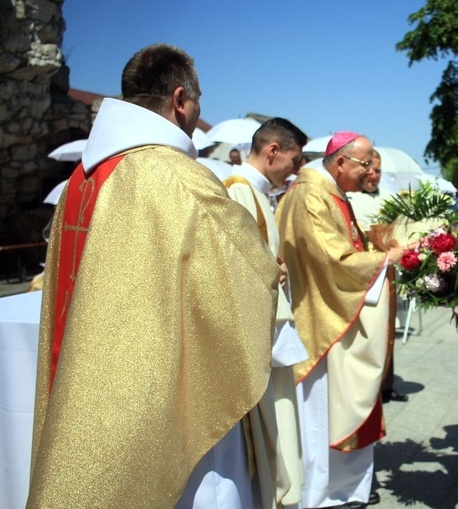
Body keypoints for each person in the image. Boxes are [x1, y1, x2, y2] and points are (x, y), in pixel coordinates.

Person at [27, 44, 281, 508]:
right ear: (180, 99)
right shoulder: (177, 175)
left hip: (90, 375)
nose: (198, 109)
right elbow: (246, 271)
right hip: (162, 389)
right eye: (198, 99)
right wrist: (270, 271)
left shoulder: (83, 179)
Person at [276, 132, 404, 508]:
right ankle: (319, 496)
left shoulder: (333, 193)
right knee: (320, 415)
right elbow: (330, 259)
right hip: (321, 317)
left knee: (339, 408)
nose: (369, 171)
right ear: (340, 161)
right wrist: (385, 260)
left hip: (337, 310)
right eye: (365, 164)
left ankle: (344, 489)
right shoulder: (310, 195)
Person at [223, 117, 310, 507]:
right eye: (294, 159)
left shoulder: (257, 192)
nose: (297, 168)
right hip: (259, 329)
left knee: (281, 418)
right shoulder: (238, 191)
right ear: (273, 151)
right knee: (271, 421)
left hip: (270, 318)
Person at [348, 149, 407, 404]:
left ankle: (387, 384)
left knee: (388, 326)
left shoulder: (391, 198)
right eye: (370, 168)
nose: (374, 174)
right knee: (369, 327)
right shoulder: (350, 198)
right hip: (365, 271)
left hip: (388, 270)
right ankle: (368, 384)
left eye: (378, 170)